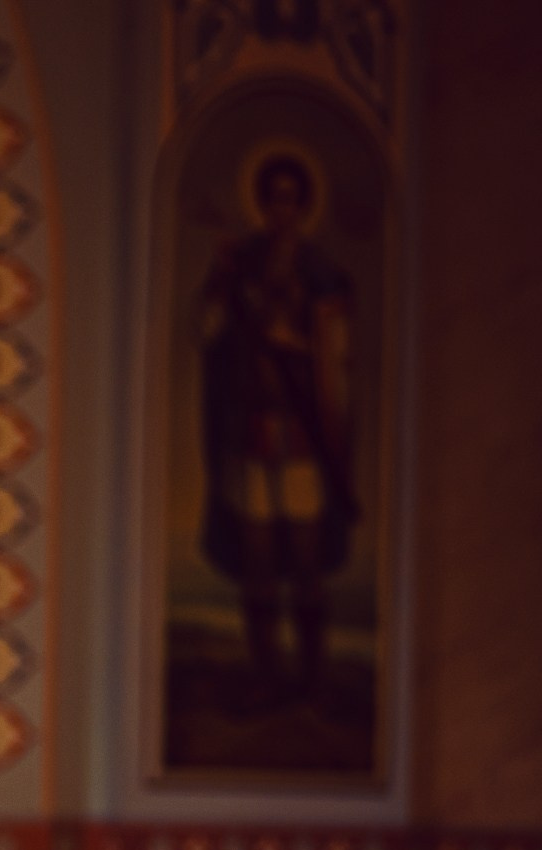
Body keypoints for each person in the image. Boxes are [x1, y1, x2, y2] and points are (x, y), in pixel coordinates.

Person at [198, 150, 357, 697]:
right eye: (272, 198)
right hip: (251, 430)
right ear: (263, 203)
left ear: (302, 206)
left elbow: (338, 354)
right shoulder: (239, 261)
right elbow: (207, 331)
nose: (280, 209)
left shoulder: (321, 271)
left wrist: (297, 341)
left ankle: (311, 681)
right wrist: (221, 285)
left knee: (307, 558)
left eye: (290, 199)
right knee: (258, 559)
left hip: (302, 432)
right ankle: (265, 678)